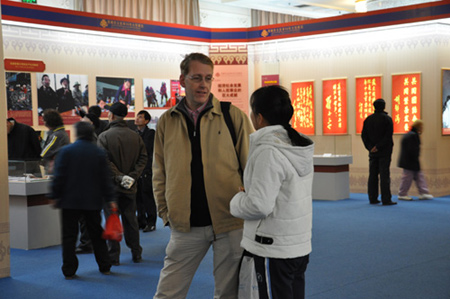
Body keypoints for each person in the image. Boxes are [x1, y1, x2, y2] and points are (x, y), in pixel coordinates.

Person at [152, 52, 254, 299]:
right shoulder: (168, 121)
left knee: (227, 294)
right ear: (182, 79)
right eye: (196, 78)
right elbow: (159, 171)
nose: (203, 84)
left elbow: (252, 167)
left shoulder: (232, 116)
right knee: (168, 293)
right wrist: (165, 212)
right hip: (185, 225)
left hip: (229, 221)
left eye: (208, 78)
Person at [230, 85, 314, 299]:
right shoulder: (296, 145)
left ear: (258, 117)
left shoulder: (268, 150)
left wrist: (237, 200)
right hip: (297, 245)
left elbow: (259, 205)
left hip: (272, 247)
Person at [49, 121, 117, 279]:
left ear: (76, 133)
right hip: (92, 201)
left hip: (69, 201)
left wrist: (54, 195)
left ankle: (69, 269)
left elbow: (59, 177)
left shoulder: (65, 151)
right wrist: (110, 198)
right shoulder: (99, 153)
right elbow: (105, 179)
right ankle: (105, 265)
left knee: (69, 236)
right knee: (97, 234)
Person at [97, 102, 147, 265]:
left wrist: (119, 177)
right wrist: (131, 176)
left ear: (111, 115)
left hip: (111, 188)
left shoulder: (104, 137)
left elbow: (104, 161)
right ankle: (136, 253)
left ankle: (114, 256)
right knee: (131, 219)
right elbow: (143, 158)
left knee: (112, 221)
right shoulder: (135, 136)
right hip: (130, 187)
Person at [361, 98, 396, 206]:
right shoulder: (387, 119)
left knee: (373, 175)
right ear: (384, 106)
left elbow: (364, 136)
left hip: (372, 152)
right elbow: (388, 136)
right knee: (384, 175)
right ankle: (386, 198)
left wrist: (371, 147)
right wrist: (379, 146)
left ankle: (372, 198)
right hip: (384, 151)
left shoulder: (368, 119)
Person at [397, 120, 433, 200]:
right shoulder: (413, 135)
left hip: (408, 160)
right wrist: (415, 158)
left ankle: (423, 192)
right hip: (410, 161)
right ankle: (402, 194)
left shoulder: (408, 134)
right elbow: (413, 149)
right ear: (419, 127)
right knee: (407, 178)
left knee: (418, 176)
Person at [134, 110, 156, 232]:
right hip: (136, 169)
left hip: (147, 168)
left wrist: (148, 168)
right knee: (138, 196)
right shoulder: (133, 133)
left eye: (141, 117)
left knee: (147, 195)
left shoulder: (151, 133)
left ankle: (151, 221)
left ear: (147, 121)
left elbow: (150, 152)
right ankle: (141, 220)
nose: (137, 119)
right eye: (137, 116)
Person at [41, 109, 70, 175]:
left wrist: (39, 159)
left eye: (44, 120)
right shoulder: (61, 133)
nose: (43, 122)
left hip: (55, 168)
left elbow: (45, 152)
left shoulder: (56, 135)